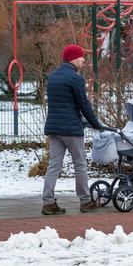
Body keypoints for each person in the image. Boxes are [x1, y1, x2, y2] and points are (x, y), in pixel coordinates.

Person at [42, 44, 102, 215]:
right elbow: (84, 104)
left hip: (53, 128)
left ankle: (48, 203)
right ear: (74, 58)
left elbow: (63, 103)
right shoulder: (75, 78)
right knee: (80, 164)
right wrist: (95, 123)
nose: (84, 60)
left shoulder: (52, 76)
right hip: (71, 129)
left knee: (54, 166)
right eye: (82, 57)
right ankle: (85, 201)